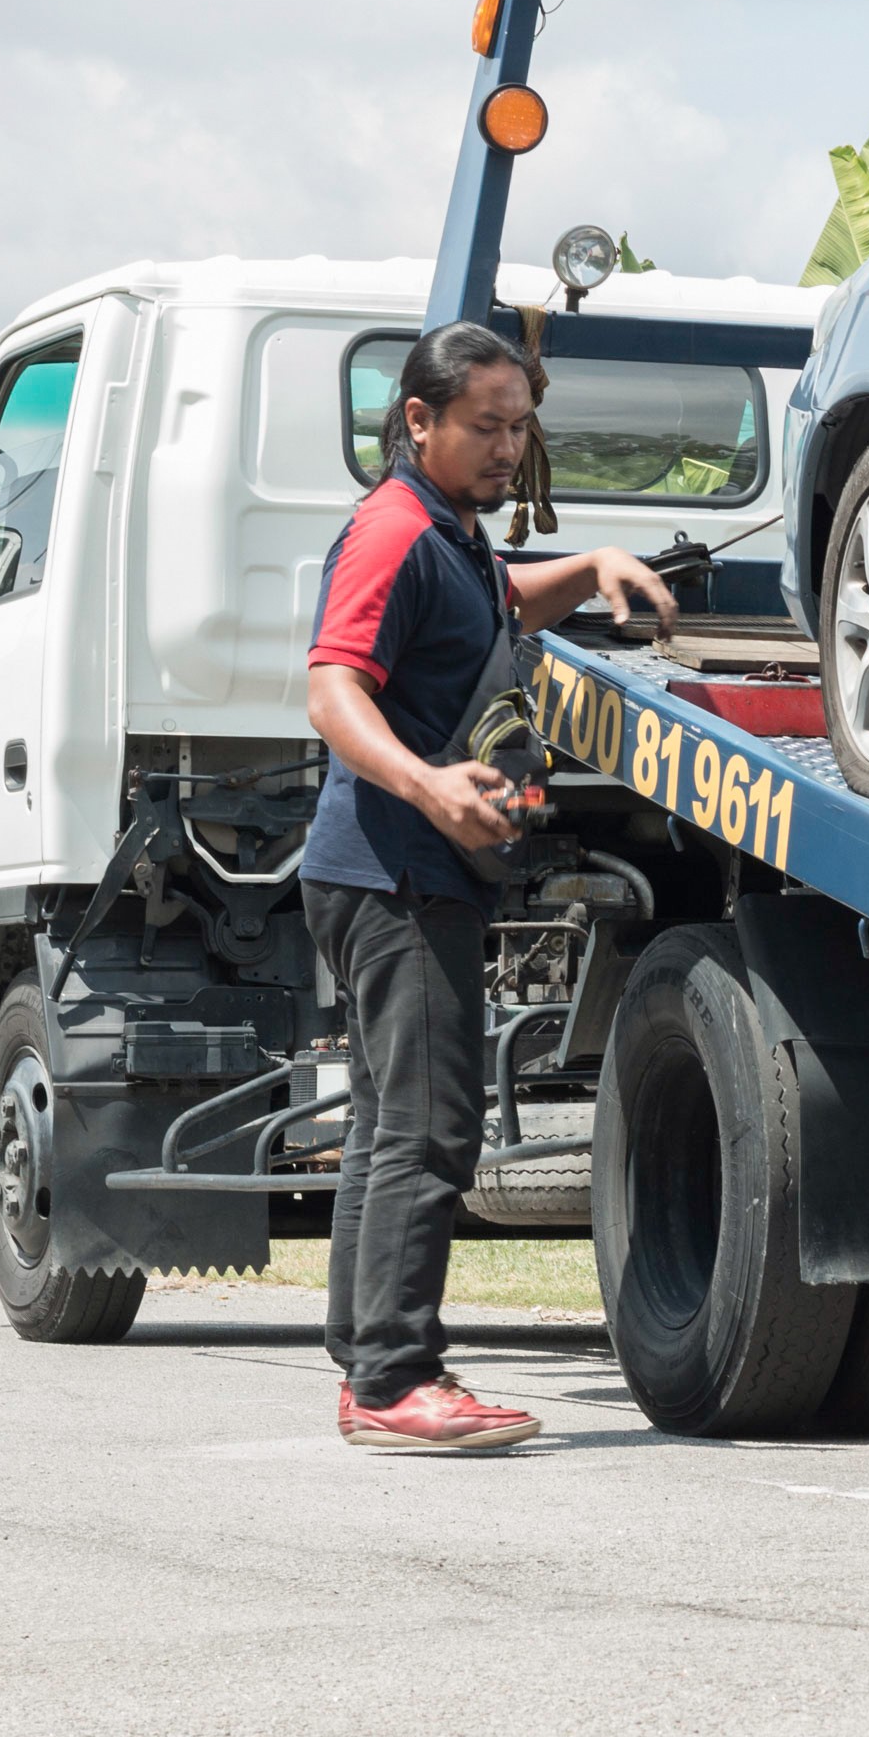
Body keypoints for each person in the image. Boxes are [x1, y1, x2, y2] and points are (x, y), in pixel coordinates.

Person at [301, 320, 674, 1450]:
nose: (510, 446)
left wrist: (593, 564)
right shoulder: (393, 533)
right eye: (486, 426)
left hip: (395, 869)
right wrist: (426, 786)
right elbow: (331, 688)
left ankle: (367, 1363)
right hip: (396, 868)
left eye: (522, 426)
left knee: (383, 1123)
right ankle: (396, 1377)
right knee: (430, 1126)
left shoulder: (452, 532)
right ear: (418, 420)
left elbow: (502, 602)